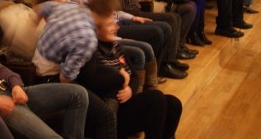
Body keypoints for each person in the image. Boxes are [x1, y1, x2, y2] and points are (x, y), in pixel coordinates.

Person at [76, 11, 182, 139]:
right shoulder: (90, 52)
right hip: (110, 115)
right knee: (156, 98)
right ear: (96, 30)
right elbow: (91, 82)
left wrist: (130, 89)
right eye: (110, 25)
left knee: (174, 104)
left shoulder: (115, 46)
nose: (116, 27)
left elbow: (135, 77)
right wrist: (120, 79)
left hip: (125, 103)